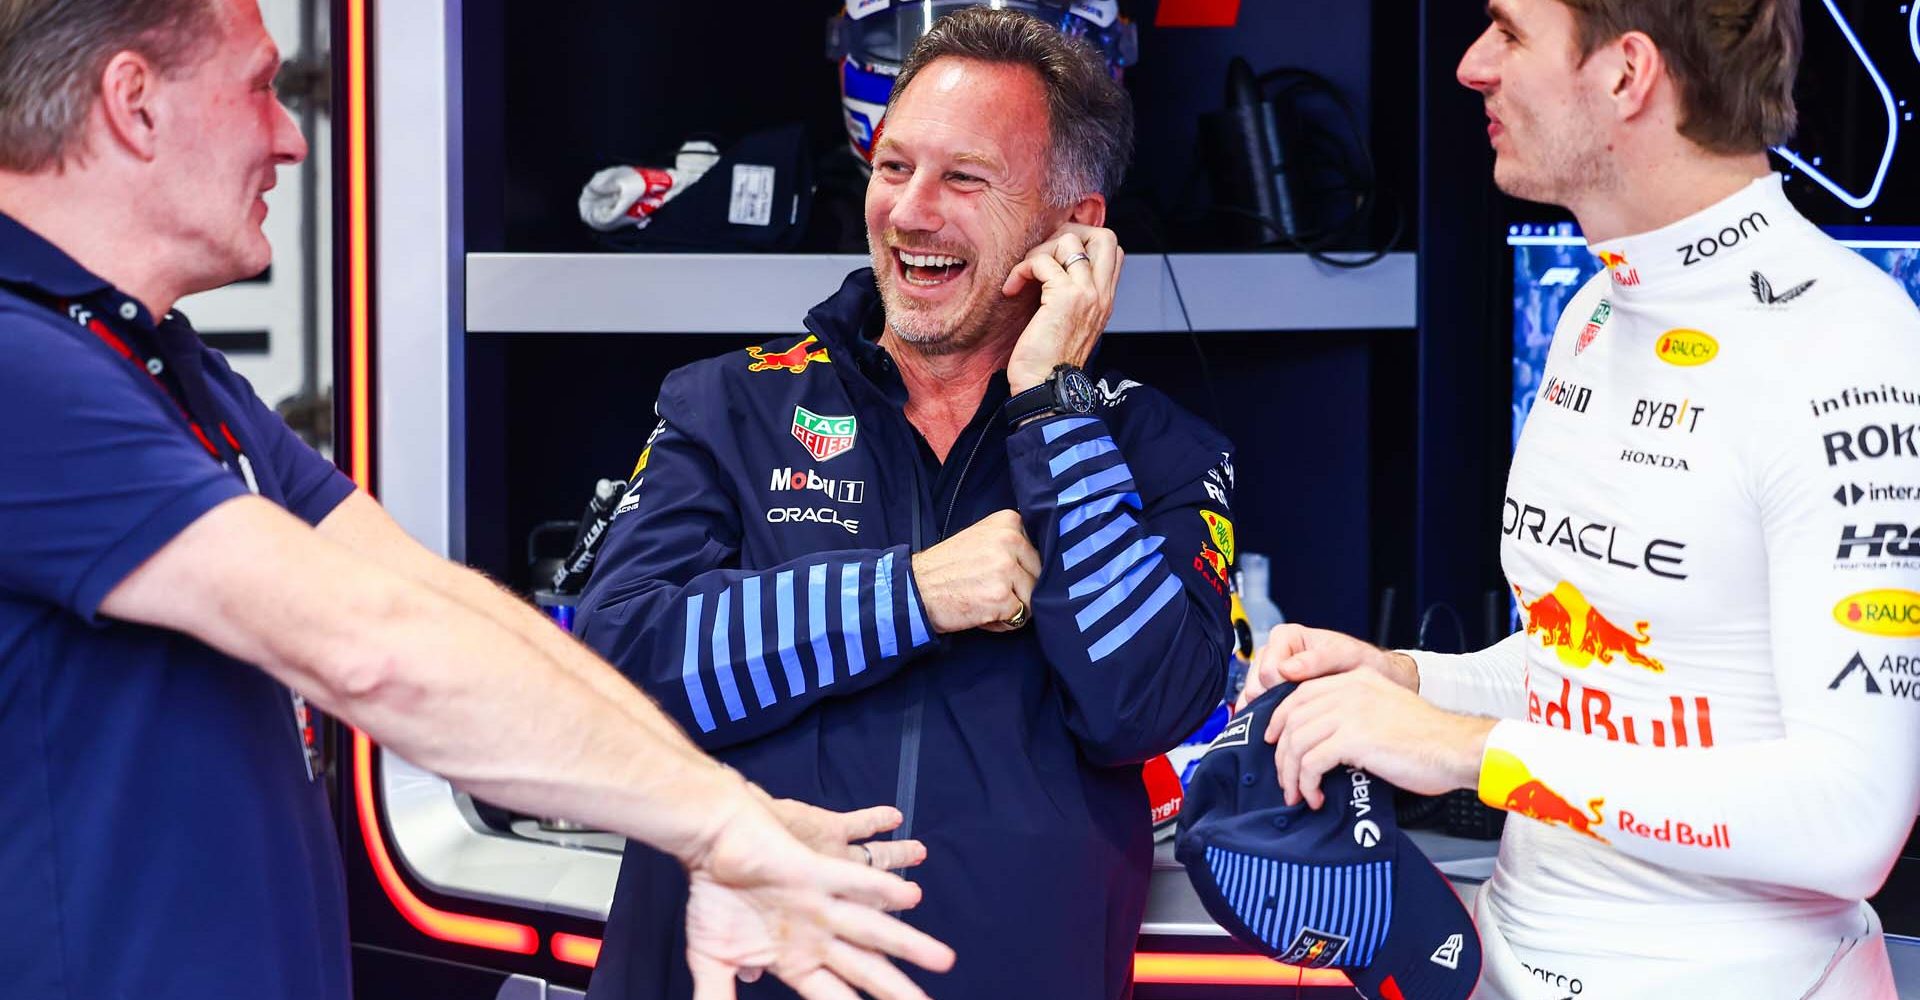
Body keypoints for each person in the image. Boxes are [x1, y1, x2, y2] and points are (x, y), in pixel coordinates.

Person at [0, 2, 953, 998]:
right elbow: (371, 646)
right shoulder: (21, 370)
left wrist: (717, 807)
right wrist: (715, 825)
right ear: (133, 105)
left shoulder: (165, 366)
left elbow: (426, 597)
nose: (289, 137)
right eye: (257, 87)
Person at [1237, 1, 1920, 996]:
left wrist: (1467, 752)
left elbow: (1851, 819)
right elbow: (1617, 668)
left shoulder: (1849, 343)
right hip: (1510, 958)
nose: (1472, 66)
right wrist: (1408, 682)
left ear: (1626, 73)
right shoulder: (1594, 311)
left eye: (1509, 33)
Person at [575, 8, 1237, 998]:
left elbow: (1140, 704)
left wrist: (1053, 402)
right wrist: (908, 596)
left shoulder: (1155, 449)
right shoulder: (729, 402)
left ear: (1073, 230)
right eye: (894, 169)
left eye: (964, 179)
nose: (911, 213)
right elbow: (615, 665)